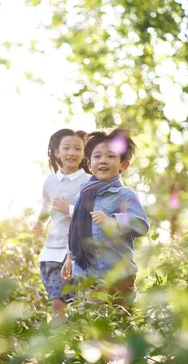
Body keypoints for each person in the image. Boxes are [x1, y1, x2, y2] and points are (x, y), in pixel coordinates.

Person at [61, 128, 149, 304]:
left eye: (111, 156)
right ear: (88, 164)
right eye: (97, 156)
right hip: (89, 276)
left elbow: (141, 225)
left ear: (123, 164)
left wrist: (114, 220)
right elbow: (76, 230)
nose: (103, 161)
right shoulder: (82, 196)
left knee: (121, 324)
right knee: (92, 324)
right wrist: (69, 256)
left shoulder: (124, 194)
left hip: (120, 275)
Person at [34, 128, 91, 323]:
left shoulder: (88, 181)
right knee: (57, 303)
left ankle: (74, 346)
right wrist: (40, 222)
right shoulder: (50, 182)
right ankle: (58, 347)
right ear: (57, 152)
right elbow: (46, 207)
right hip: (51, 250)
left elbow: (91, 214)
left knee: (75, 304)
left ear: (84, 153)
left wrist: (69, 209)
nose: (71, 153)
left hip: (77, 251)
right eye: (66, 148)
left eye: (77, 148)